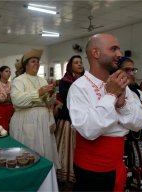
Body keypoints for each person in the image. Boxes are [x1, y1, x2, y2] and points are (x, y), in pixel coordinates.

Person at [67, 33, 142, 191]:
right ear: (96, 53)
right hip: (91, 168)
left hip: (117, 163)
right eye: (114, 49)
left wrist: (122, 106)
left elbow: (138, 123)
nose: (120, 54)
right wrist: (110, 95)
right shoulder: (79, 87)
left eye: (119, 49)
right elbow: (89, 130)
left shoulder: (122, 84)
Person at [9, 48, 60, 169]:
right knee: (30, 151)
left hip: (43, 122)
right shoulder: (18, 80)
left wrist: (51, 94)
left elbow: (48, 102)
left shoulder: (42, 80)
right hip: (26, 120)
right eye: (33, 61)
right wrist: (38, 93)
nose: (36, 64)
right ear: (26, 65)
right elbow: (17, 100)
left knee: (45, 151)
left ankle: (45, 175)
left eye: (38, 62)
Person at [118, 57, 142, 191]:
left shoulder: (137, 92)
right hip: (124, 142)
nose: (132, 73)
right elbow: (124, 119)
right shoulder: (115, 92)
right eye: (127, 70)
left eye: (133, 70)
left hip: (139, 140)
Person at [55, 55, 84, 183]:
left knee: (80, 148)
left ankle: (79, 172)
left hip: (83, 120)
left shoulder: (87, 80)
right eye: (76, 62)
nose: (79, 64)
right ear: (70, 66)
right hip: (68, 119)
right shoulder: (65, 81)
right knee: (66, 147)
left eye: (81, 62)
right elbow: (69, 98)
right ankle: (65, 174)